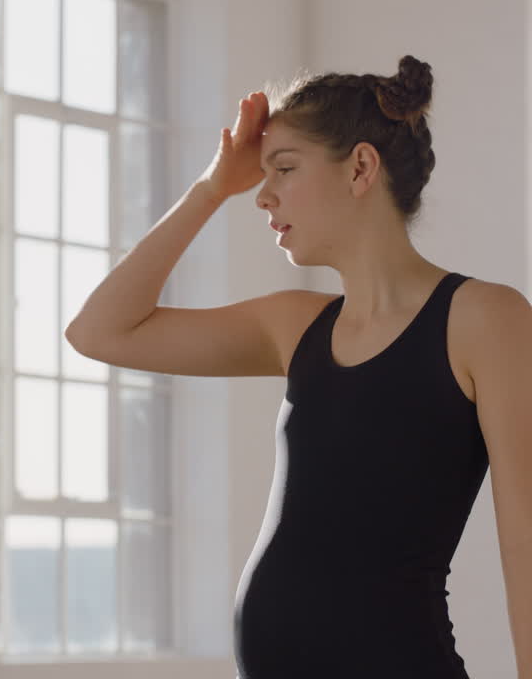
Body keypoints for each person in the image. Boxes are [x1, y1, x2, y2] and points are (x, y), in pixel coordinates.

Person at [66, 56, 532, 678]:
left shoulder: (485, 319)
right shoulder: (295, 327)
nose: (261, 194)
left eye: (283, 168)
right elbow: (99, 331)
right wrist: (210, 188)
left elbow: (526, 544)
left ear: (361, 167)